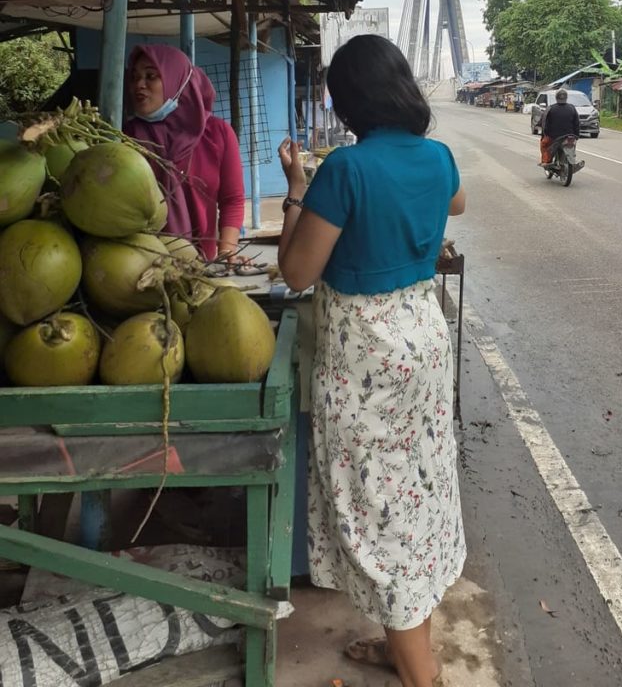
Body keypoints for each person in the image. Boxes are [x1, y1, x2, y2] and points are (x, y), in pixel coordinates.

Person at [277, 35, 466, 687]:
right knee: (416, 502)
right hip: (424, 341)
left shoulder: (347, 171)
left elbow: (297, 271)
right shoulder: (439, 158)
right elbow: (457, 202)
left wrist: (296, 191)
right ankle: (404, 648)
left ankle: (423, 678)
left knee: (381, 519)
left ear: (351, 100)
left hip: (367, 361)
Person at [124, 43, 245, 261]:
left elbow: (232, 199)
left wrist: (227, 253)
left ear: (175, 81)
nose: (138, 85)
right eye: (134, 77)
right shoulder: (124, 139)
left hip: (203, 265)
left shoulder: (217, 134)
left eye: (151, 76)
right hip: (140, 264)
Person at [540, 87, 580, 165]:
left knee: (544, 144)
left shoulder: (550, 108)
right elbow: (577, 123)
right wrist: (576, 135)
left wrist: (544, 134)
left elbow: (544, 123)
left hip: (554, 137)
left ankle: (546, 161)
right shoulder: (572, 108)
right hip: (570, 136)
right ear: (566, 97)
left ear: (556, 97)